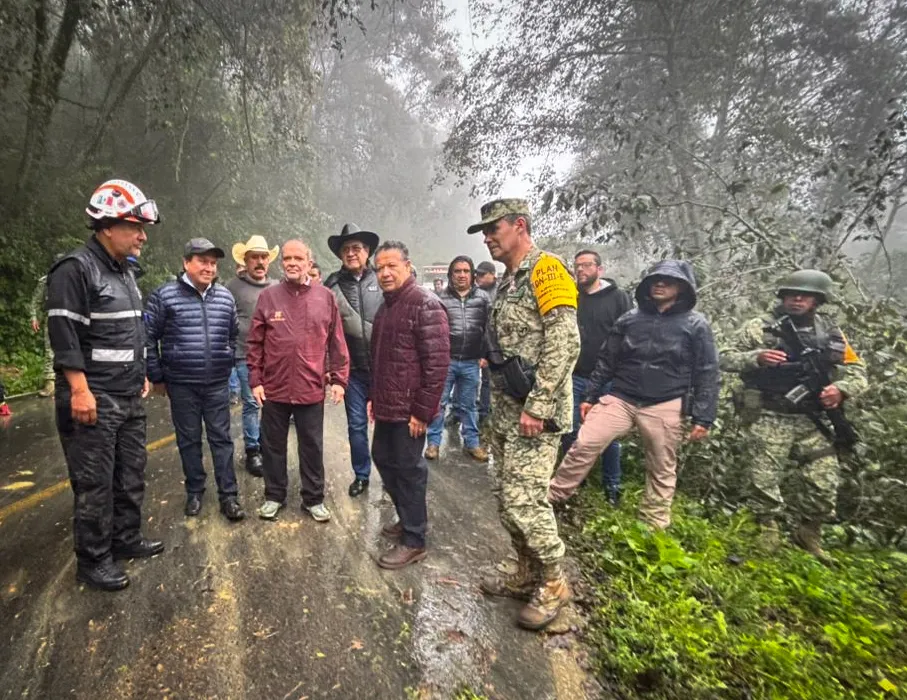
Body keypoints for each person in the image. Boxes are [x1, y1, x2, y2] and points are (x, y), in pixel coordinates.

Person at [466, 198, 580, 630]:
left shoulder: (546, 269)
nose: (488, 238)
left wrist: (539, 404)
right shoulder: (508, 280)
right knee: (503, 496)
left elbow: (565, 341)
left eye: (494, 229)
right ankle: (526, 571)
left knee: (525, 500)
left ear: (520, 225)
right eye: (484, 233)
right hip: (506, 410)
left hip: (535, 413)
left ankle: (554, 581)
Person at [46, 179, 163, 591]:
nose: (143, 236)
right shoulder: (75, 269)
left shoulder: (124, 272)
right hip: (94, 397)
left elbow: (128, 333)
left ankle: (126, 540)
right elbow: (64, 334)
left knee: (130, 474)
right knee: (95, 483)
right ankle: (93, 562)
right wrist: (79, 389)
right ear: (108, 226)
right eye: (136, 227)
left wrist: (142, 371)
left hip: (128, 394)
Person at [549, 260, 720, 531]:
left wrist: (704, 416)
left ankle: (653, 525)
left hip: (666, 402)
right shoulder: (630, 319)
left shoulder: (696, 325)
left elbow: (707, 371)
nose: (660, 284)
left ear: (683, 287)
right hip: (622, 397)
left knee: (662, 465)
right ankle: (554, 496)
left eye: (668, 280)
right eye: (655, 280)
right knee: (584, 443)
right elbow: (607, 360)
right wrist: (590, 396)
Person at [720, 270, 867, 560]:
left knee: (824, 481)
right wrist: (756, 357)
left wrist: (842, 389)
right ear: (782, 297)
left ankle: (808, 533)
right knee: (763, 480)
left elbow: (858, 372)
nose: (797, 299)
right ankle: (768, 530)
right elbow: (723, 356)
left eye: (804, 295)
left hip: (811, 420)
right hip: (768, 414)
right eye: (791, 294)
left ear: (817, 300)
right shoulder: (760, 328)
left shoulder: (832, 334)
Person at [247, 240, 350, 522]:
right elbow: (255, 342)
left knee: (312, 446)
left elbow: (337, 342)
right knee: (272, 446)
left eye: (298, 258)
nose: (292, 263)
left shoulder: (325, 297)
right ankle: (274, 496)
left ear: (309, 262)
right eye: (287, 258)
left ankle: (313, 499)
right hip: (274, 388)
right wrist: (255, 379)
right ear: (282, 263)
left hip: (310, 388)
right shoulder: (269, 297)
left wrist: (339, 379)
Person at [145, 239, 245, 521]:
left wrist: (225, 360)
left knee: (222, 439)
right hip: (181, 384)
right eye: (203, 261)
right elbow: (148, 338)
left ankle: (229, 496)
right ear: (186, 262)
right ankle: (195, 491)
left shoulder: (225, 297)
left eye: (213, 263)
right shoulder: (164, 296)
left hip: (216, 383)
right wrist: (156, 375)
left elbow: (232, 335)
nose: (209, 267)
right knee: (189, 440)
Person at [368, 241, 450, 569]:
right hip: (388, 405)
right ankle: (407, 517)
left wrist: (422, 411)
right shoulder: (386, 306)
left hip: (409, 412)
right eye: (380, 268)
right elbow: (380, 359)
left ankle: (415, 539)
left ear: (407, 266)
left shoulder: (424, 304)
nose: (385, 273)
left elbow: (437, 364)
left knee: (409, 469)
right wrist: (375, 397)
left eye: (392, 266)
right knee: (383, 458)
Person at [564, 250, 633, 505]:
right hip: (576, 375)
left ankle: (612, 485)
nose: (581, 270)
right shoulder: (572, 296)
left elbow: (630, 336)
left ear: (599, 269)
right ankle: (573, 481)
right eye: (577, 266)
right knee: (570, 431)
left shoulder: (618, 298)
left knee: (608, 436)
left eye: (587, 265)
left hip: (607, 378)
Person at [324, 224, 383, 498]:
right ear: (340, 255)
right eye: (346, 249)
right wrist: (328, 367)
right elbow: (323, 328)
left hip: (385, 369)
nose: (351, 253)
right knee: (356, 425)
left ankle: (391, 475)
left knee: (388, 425)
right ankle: (362, 474)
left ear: (367, 251)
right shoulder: (332, 285)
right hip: (354, 372)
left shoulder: (383, 278)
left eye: (356, 248)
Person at [425, 256, 491, 462]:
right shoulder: (440, 298)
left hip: (472, 362)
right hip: (446, 361)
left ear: (472, 274)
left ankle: (472, 443)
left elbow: (490, 328)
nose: (462, 275)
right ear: (450, 275)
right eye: (457, 271)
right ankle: (433, 443)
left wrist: (485, 354)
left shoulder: (483, 298)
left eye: (466, 271)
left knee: (469, 404)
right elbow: (431, 330)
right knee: (439, 402)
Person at [225, 235, 279, 477]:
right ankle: (252, 450)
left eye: (263, 257)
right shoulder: (232, 287)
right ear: (245, 261)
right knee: (251, 403)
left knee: (272, 404)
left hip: (276, 358)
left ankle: (268, 445)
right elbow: (224, 322)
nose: (259, 262)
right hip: (245, 355)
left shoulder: (278, 287)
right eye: (254, 257)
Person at [475, 261, 498, 426]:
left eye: (483, 274)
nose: (478, 278)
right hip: (481, 345)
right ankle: (483, 413)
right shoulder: (476, 292)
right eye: (477, 274)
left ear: (492, 274)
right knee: (484, 382)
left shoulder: (502, 291)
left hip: (498, 347)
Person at [29, 270, 56, 397]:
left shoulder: (74, 277)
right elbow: (36, 301)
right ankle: (50, 383)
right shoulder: (46, 280)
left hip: (72, 318)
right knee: (50, 350)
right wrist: (34, 317)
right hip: (51, 317)